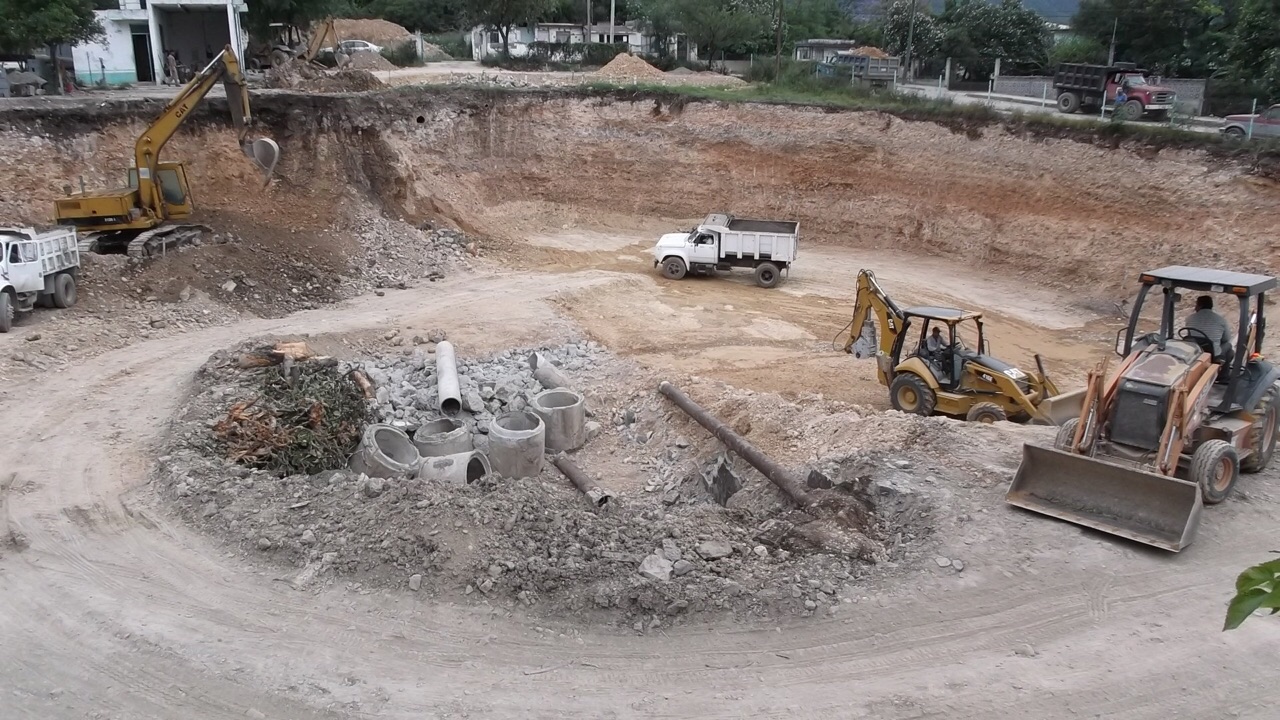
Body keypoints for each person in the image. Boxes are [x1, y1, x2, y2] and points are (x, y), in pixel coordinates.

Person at [1185, 295, 1234, 365]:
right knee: (1228, 346)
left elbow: (1189, 335)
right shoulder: (1221, 320)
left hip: (1195, 352)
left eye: (1196, 305)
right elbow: (1226, 339)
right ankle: (1223, 374)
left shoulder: (1189, 319)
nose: (1195, 308)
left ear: (1200, 306)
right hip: (1213, 353)